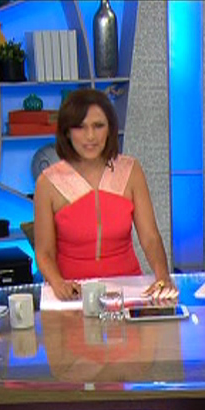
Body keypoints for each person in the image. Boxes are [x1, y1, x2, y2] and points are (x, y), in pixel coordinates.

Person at [33, 88, 177, 301]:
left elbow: (150, 237)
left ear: (110, 129)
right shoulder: (48, 182)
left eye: (98, 126)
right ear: (67, 132)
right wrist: (57, 282)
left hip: (127, 290)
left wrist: (162, 276)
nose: (90, 136)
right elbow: (44, 252)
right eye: (80, 127)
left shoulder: (131, 170)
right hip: (73, 293)